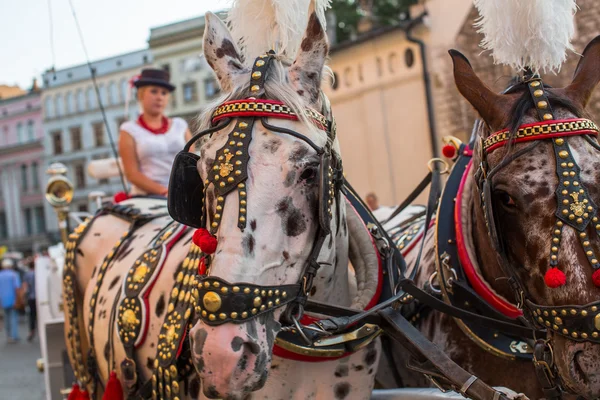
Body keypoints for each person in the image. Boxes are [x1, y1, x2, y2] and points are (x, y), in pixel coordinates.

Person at [119, 68, 192, 197]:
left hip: (183, 193)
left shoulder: (180, 125)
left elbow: (191, 162)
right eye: (154, 91)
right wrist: (164, 191)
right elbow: (132, 174)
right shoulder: (129, 130)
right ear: (141, 95)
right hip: (147, 196)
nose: (159, 97)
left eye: (164, 93)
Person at [0, 259, 21, 343]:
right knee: (13, 318)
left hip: (3, 300)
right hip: (13, 299)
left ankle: (8, 335)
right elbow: (17, 288)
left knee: (6, 318)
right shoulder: (14, 275)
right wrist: (18, 299)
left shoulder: (0, 275)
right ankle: (13, 335)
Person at [23, 260, 36, 342]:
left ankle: (32, 331)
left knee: (32, 315)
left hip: (31, 297)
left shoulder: (27, 274)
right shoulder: (39, 273)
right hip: (40, 297)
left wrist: (24, 297)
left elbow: (25, 287)